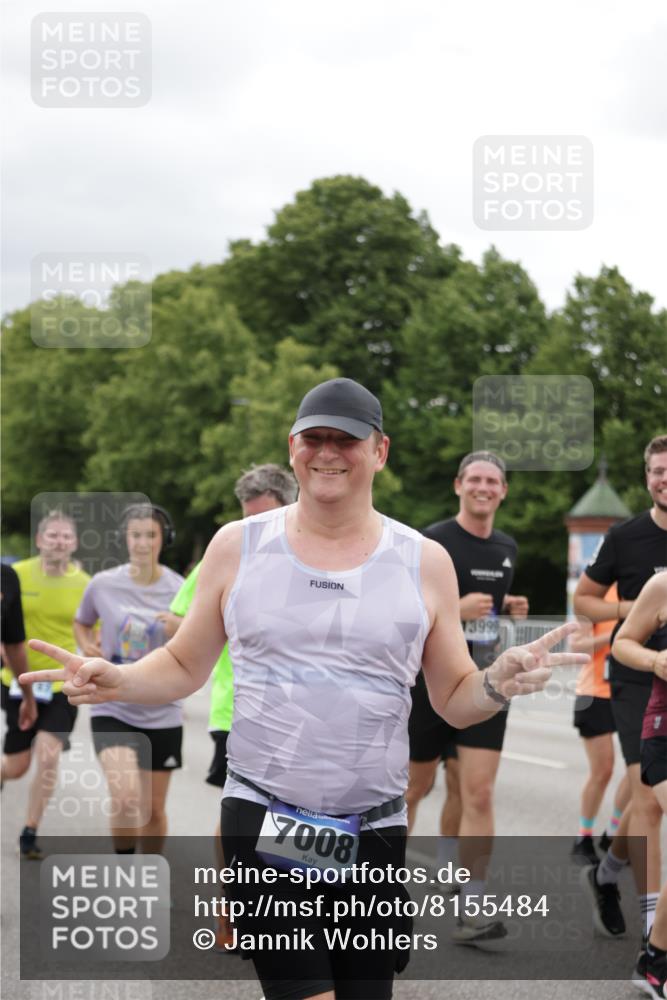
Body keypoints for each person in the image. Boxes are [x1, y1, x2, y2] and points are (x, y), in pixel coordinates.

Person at [21, 378, 586, 1000]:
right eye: (312, 438)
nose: (327, 452)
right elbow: (184, 664)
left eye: (346, 439)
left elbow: (453, 695)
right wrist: (119, 678)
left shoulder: (423, 561)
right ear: (292, 448)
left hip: (373, 828)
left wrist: (497, 684)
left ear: (380, 451)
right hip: (266, 815)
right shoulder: (238, 546)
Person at [159, 463, 297, 948]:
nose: (253, 529)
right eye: (247, 517)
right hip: (234, 709)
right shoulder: (231, 549)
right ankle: (232, 902)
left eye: (263, 518)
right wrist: (213, 630)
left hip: (308, 715)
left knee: (297, 816)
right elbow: (175, 622)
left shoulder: (329, 556)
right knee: (240, 814)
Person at [406, 450, 529, 946]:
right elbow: (404, 611)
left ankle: (472, 904)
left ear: (503, 491)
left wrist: (510, 613)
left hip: (484, 684)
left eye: (492, 481)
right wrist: (453, 609)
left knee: (476, 791)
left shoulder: (507, 548)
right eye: (474, 479)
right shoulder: (432, 541)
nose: (483, 487)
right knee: (412, 791)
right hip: (426, 686)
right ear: (458, 485)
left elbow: (489, 621)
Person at [574, 434, 667, 947]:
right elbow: (583, 600)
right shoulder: (626, 537)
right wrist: (633, 611)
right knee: (651, 795)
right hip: (635, 677)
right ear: (646, 476)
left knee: (640, 796)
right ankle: (655, 932)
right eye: (657, 470)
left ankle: (605, 874)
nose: (664, 479)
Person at [72, 503, 183, 854]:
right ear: (125, 538)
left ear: (164, 539)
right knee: (125, 800)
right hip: (112, 703)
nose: (143, 543)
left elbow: (201, 640)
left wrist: (181, 627)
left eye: (151, 535)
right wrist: (87, 646)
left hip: (162, 707)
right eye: (136, 535)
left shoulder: (180, 588)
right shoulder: (103, 584)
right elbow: (82, 622)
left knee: (152, 810)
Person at [1, 512, 89, 859]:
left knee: (49, 755)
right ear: (39, 540)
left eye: (66, 536)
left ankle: (30, 830)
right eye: (52, 535)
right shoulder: (16, 574)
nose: (59, 541)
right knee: (18, 765)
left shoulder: (85, 583)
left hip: (60, 685)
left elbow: (89, 629)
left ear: (75, 543)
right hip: (17, 682)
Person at [612, 570, 667, 998]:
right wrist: (654, 659)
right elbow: (622, 642)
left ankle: (655, 956)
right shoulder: (663, 585)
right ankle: (656, 963)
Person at [570, 583, 630, 865]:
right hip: (595, 691)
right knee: (603, 769)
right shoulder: (594, 593)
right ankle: (583, 837)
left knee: (641, 769)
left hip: (632, 689)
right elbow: (577, 644)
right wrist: (616, 635)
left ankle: (612, 833)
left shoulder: (644, 588)